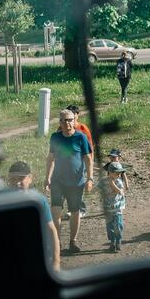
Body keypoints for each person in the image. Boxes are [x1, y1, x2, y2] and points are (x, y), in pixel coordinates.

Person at [46, 108, 94, 253]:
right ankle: (57, 242)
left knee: (75, 212)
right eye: (63, 120)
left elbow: (88, 159)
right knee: (56, 212)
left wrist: (90, 179)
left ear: (74, 121)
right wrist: (47, 177)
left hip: (76, 182)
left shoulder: (81, 137)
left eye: (69, 120)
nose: (67, 123)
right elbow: (51, 158)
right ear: (59, 122)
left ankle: (73, 241)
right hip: (58, 181)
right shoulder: (55, 137)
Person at [6, 161, 61, 272]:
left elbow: (52, 231)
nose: (17, 183)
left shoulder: (38, 201)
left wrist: (56, 262)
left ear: (30, 178)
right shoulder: (2, 203)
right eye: (13, 179)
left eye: (21, 178)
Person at [65, 104, 95, 219]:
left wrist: (91, 162)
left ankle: (80, 209)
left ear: (77, 115)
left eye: (73, 114)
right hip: (67, 162)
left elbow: (90, 147)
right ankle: (71, 208)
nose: (71, 117)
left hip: (81, 161)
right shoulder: (62, 127)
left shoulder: (83, 128)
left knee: (77, 185)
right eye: (69, 114)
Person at [102, 161, 128, 253]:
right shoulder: (104, 181)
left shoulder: (119, 181)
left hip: (117, 209)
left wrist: (112, 183)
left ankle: (118, 241)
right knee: (109, 227)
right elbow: (96, 188)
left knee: (118, 226)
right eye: (117, 173)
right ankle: (112, 242)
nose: (119, 174)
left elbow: (120, 192)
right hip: (107, 208)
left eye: (120, 173)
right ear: (110, 173)